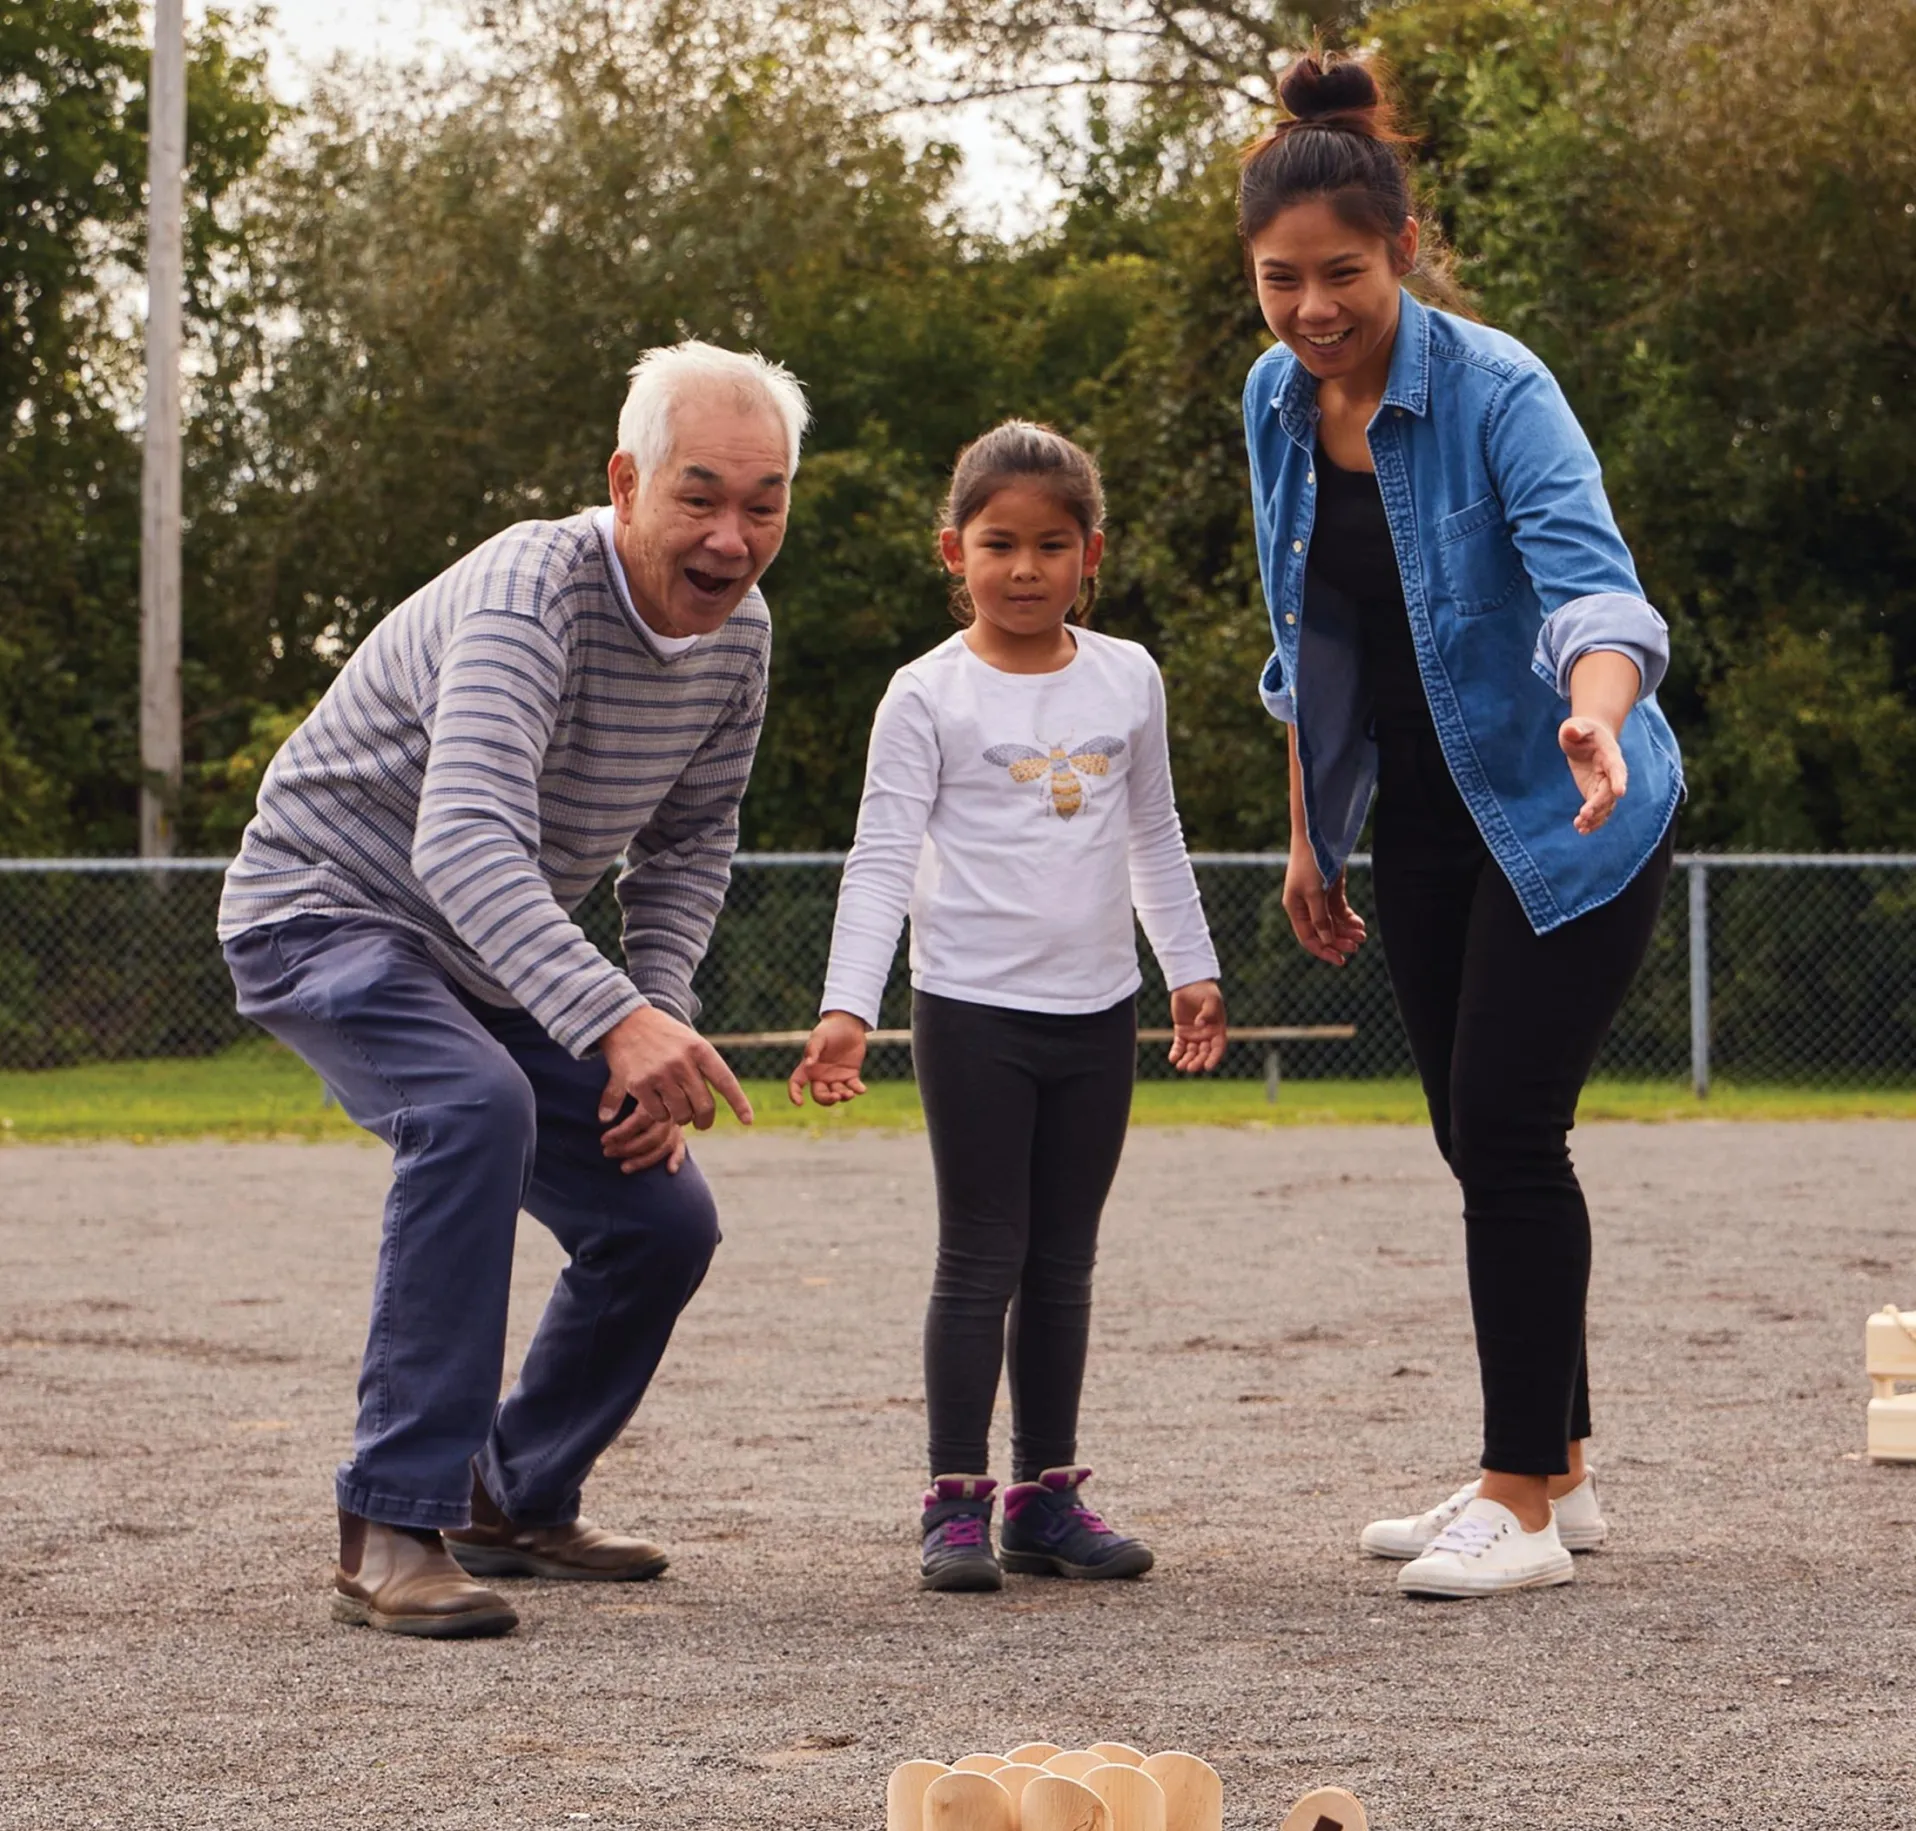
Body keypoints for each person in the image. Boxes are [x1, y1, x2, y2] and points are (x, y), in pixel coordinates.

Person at [218, 341, 809, 1639]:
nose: (730, 537)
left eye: (762, 504)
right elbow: (463, 842)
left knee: (661, 1221)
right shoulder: (531, 592)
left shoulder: (738, 640)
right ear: (626, 479)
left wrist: (650, 1021)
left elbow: (690, 843)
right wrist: (616, 1021)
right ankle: (390, 1519)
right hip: (328, 908)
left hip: (493, 956)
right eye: (699, 497)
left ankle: (512, 1494)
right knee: (474, 1108)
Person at [1240, 54, 1683, 1598]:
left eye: (1342, 275)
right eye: (1281, 280)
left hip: (1570, 801)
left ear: (1404, 250)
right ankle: (1557, 1459)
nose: (1311, 308)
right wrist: (1312, 829)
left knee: (1506, 1128)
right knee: (1463, 1129)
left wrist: (1601, 706)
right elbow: (1308, 636)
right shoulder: (1274, 403)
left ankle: (1523, 1506)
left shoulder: (1500, 389)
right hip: (1419, 816)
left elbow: (1594, 584)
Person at [789, 421, 1228, 1592]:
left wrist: (1189, 965)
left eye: (1049, 544)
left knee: (1065, 1258)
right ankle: (952, 1499)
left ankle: (1044, 1498)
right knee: (980, 1251)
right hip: (970, 1009)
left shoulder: (1127, 676)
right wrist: (847, 1006)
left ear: (1092, 552)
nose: (1024, 568)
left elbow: (1152, 832)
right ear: (953, 550)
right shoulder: (925, 694)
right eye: (998, 544)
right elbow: (881, 855)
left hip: (1096, 1013)